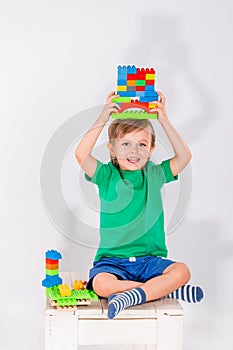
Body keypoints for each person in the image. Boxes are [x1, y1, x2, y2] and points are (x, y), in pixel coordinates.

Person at [75, 91, 204, 319]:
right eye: (125, 144)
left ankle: (135, 294)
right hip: (113, 262)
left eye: (142, 144)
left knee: (182, 270)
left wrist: (163, 119)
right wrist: (104, 116)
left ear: (151, 149)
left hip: (149, 261)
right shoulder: (106, 175)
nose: (134, 151)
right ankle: (159, 291)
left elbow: (184, 156)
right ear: (112, 150)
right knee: (102, 284)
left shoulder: (155, 174)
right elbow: (81, 153)